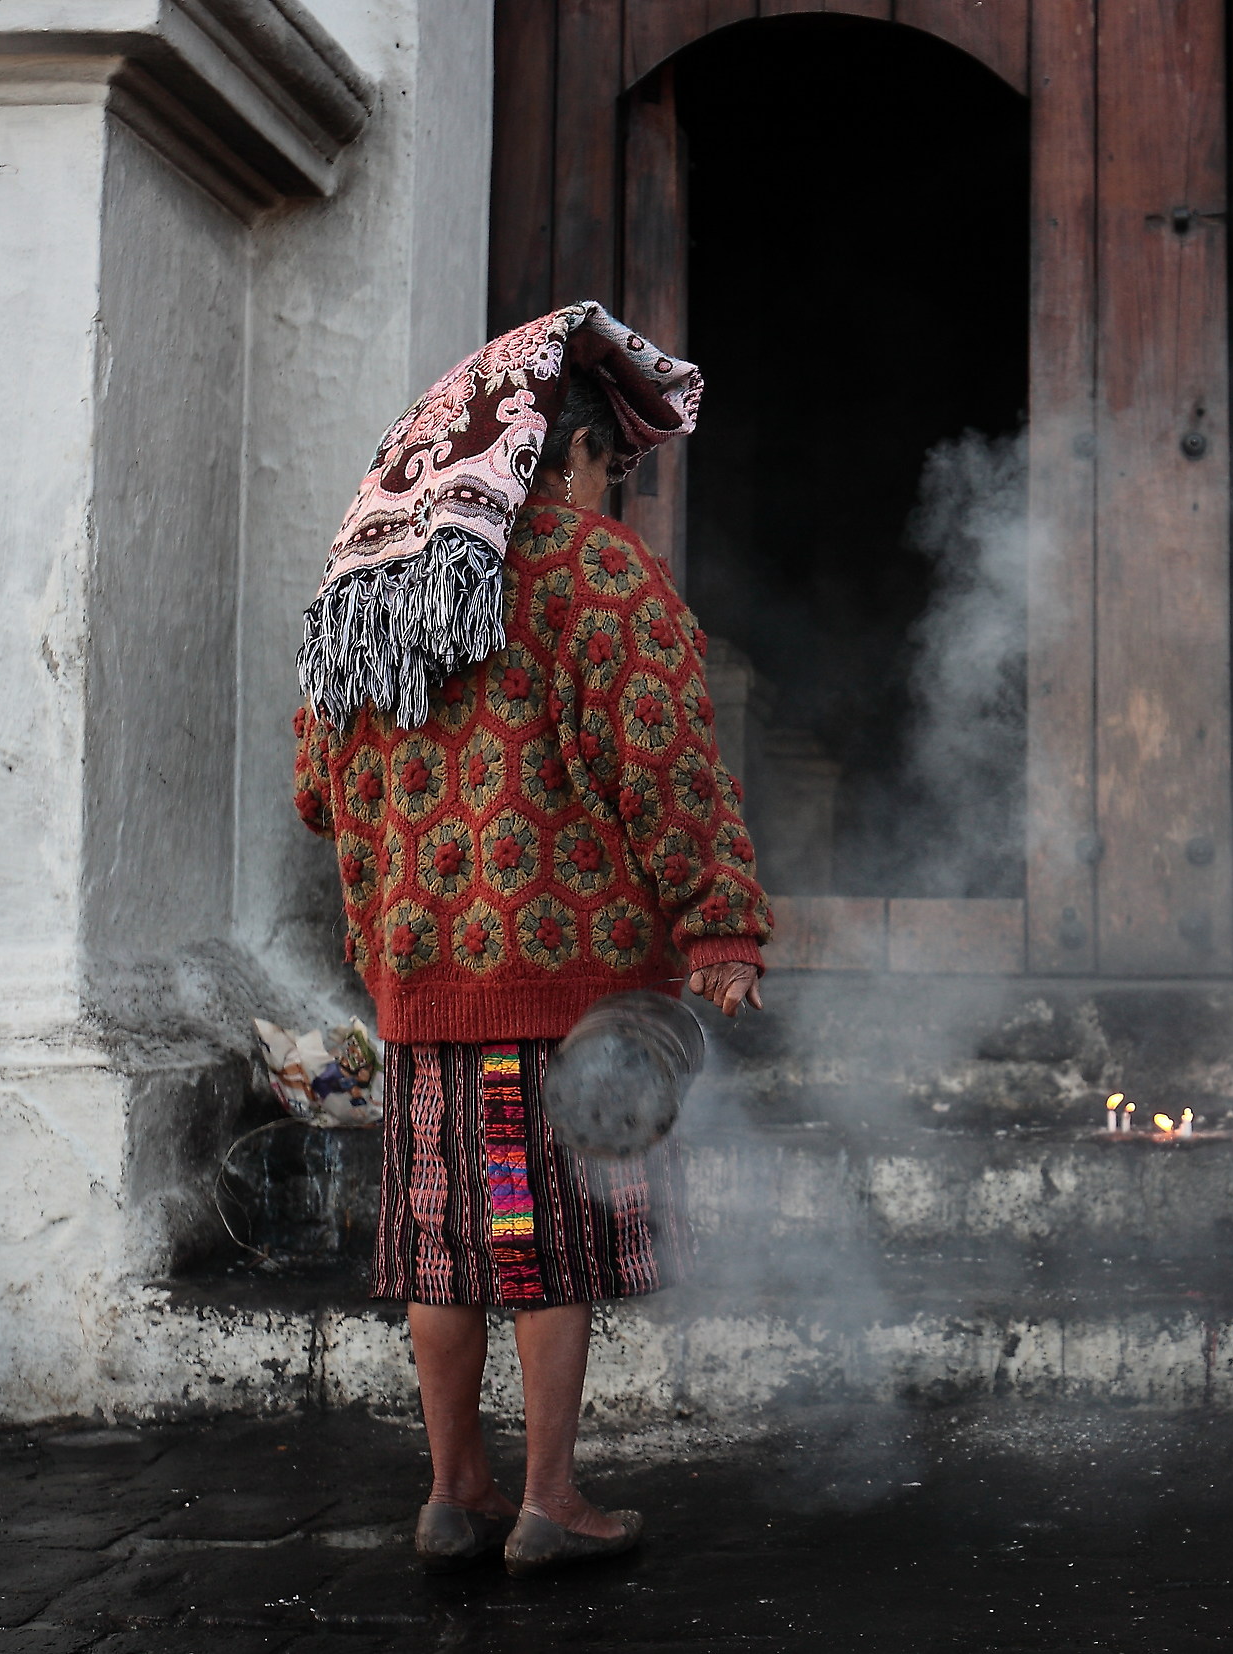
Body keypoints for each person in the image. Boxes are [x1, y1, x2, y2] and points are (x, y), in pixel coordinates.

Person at [291, 304, 770, 1577]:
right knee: (538, 1228)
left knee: (445, 1235)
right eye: (607, 465)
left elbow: (313, 780)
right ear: (558, 458)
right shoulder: (589, 573)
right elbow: (666, 763)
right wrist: (717, 920)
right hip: (556, 992)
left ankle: (455, 1494)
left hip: (420, 983)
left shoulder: (377, 578)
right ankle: (553, 1495)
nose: (610, 490)